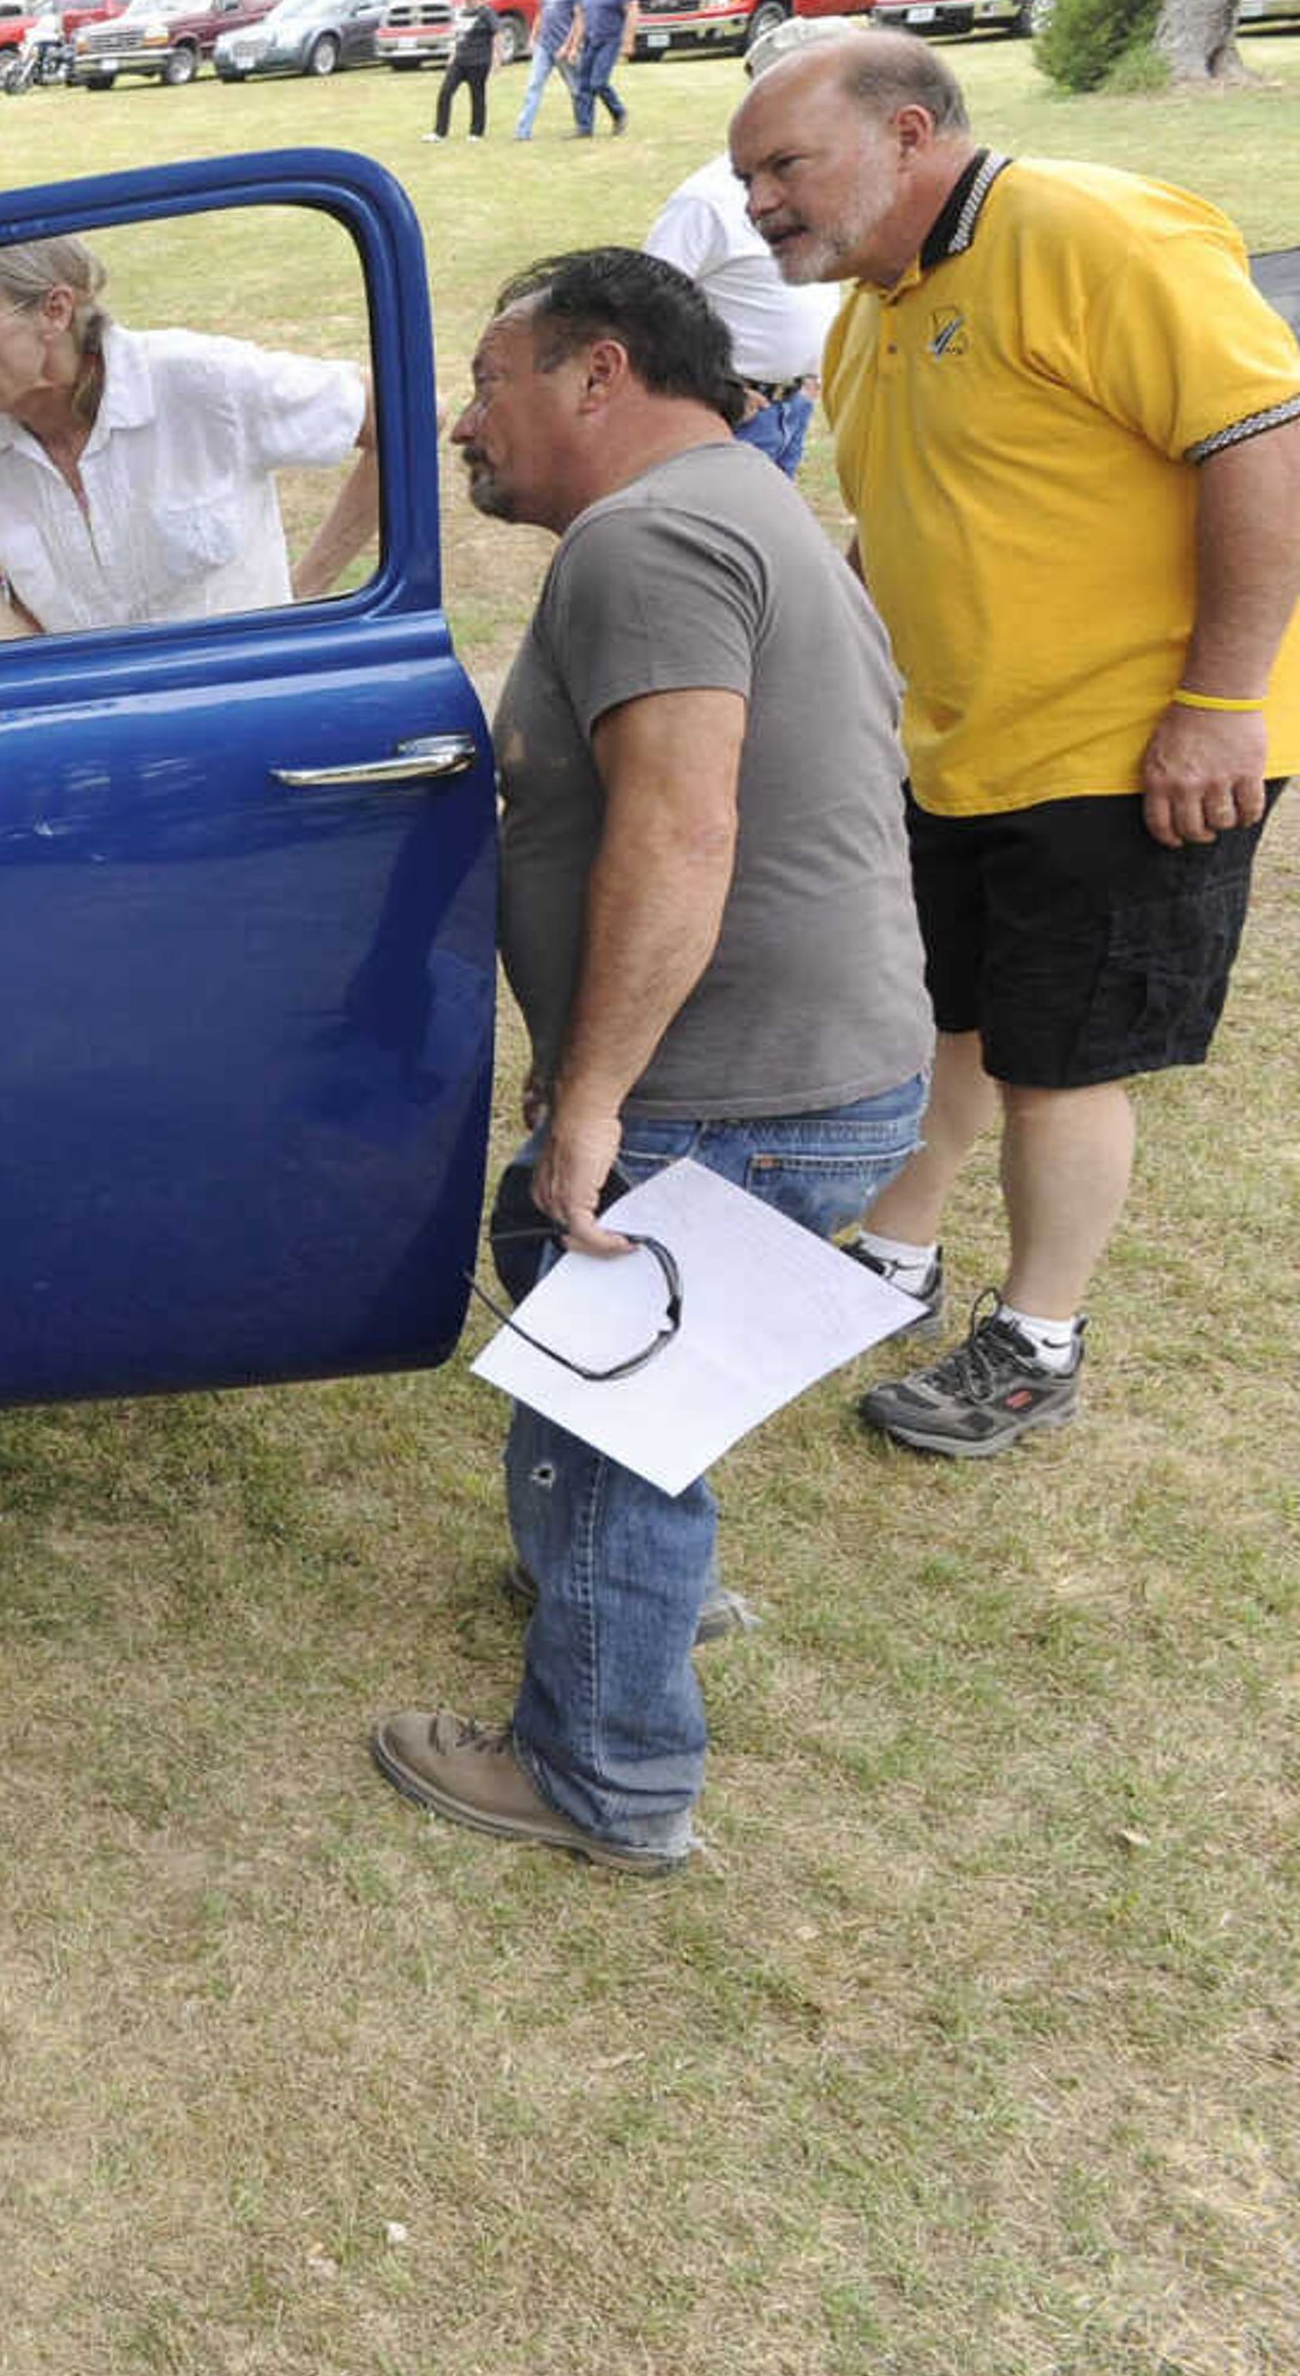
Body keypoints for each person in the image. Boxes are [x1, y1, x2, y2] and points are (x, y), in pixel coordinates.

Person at [374, 247, 930, 1874]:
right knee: (562, 1286)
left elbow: (682, 831)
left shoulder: (650, 539)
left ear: (598, 374)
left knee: (616, 1419)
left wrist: (597, 1101)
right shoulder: (736, 505)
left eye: (490, 382)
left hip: (738, 1084)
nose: (466, 422)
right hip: (812, 1060)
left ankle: (603, 1779)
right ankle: (614, 1587)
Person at [730, 32, 1300, 1458]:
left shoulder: (1090, 230)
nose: (760, 204)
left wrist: (1220, 702)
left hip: (1129, 745)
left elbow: (1263, 440)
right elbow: (902, 527)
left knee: (1062, 1055)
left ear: (909, 133)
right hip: (961, 745)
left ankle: (1040, 1341)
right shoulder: (870, 311)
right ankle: (898, 1257)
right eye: (746, 179)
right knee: (950, 1021)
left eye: (785, 166)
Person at [0, 235, 380, 639]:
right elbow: (10, 613)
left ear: (54, 311)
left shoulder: (200, 382)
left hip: (244, 709)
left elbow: (398, 411)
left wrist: (302, 596)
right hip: (100, 733)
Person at [641, 17, 841, 476]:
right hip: (732, 419)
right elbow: (640, 309)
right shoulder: (708, 200)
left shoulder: (829, 188)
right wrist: (718, 390)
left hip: (790, 408)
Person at [512, 0, 591, 141]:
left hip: (564, 47)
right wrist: (532, 38)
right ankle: (522, 132)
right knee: (533, 86)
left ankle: (584, 126)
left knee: (575, 88)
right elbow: (542, 13)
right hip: (544, 46)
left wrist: (571, 47)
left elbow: (580, 19)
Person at [568, 0, 635, 137]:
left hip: (610, 41)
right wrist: (574, 47)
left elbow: (632, 12)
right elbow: (582, 21)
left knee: (598, 82)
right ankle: (584, 128)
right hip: (591, 42)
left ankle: (619, 113)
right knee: (583, 85)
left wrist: (628, 41)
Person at [425, 0, 498, 142]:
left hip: (479, 61)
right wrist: (452, 54)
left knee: (477, 96)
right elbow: (458, 35)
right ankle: (439, 132)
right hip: (460, 61)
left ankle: (476, 132)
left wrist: (496, 59)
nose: (467, 1)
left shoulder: (487, 13)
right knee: (445, 92)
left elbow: (496, 34)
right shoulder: (462, 13)